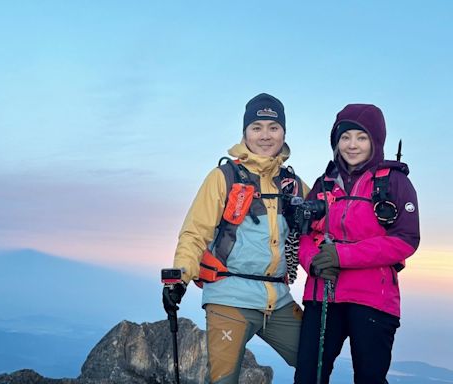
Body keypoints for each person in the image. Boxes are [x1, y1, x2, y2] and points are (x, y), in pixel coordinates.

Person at [162, 93, 310, 383]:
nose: (265, 136)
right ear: (245, 133)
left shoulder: (293, 185)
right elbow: (195, 231)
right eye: (257, 128)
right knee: (224, 380)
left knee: (316, 363)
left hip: (278, 301)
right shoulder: (223, 177)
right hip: (229, 299)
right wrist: (179, 277)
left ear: (283, 133)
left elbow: (321, 229)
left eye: (273, 127)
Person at [294, 104, 420, 384]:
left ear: (376, 141)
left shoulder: (395, 183)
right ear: (335, 142)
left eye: (361, 138)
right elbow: (304, 234)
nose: (352, 145)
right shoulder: (323, 183)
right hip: (322, 295)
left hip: (373, 298)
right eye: (345, 137)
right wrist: (313, 263)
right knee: (307, 377)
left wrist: (341, 256)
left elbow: (405, 240)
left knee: (369, 378)